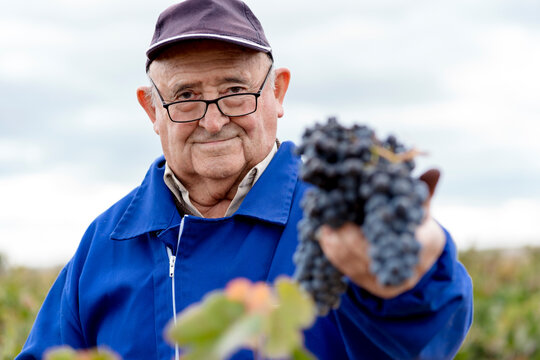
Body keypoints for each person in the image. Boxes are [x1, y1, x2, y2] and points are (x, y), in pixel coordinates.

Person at [16, 0, 473, 359]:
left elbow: (421, 339)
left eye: (235, 91)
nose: (213, 121)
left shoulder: (343, 218)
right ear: (151, 110)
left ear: (277, 93)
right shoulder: (105, 241)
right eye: (186, 97)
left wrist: (413, 278)